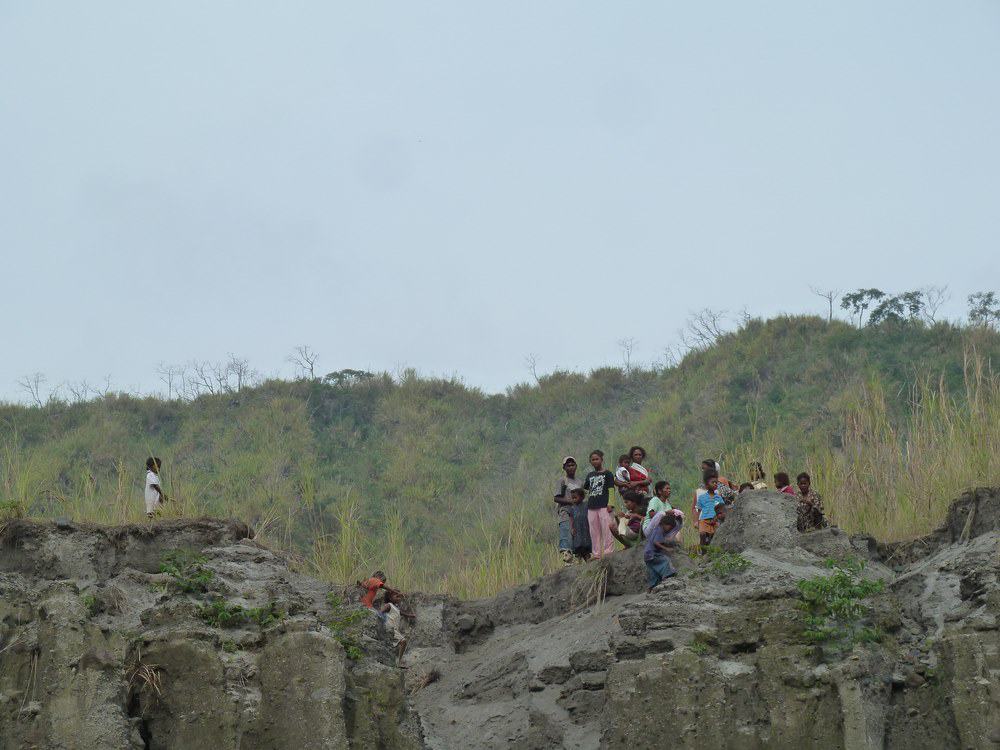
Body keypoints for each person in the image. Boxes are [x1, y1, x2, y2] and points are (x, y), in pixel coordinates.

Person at [584, 450, 619, 560]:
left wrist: (611, 503)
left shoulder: (607, 474)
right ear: (590, 461)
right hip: (591, 507)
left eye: (597, 459)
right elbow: (586, 488)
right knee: (594, 531)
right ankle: (596, 554)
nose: (595, 461)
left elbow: (611, 489)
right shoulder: (590, 475)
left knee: (607, 529)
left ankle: (608, 552)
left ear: (601, 460)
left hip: (604, 506)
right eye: (593, 459)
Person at [554, 457, 584, 565]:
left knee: (578, 533)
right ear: (564, 468)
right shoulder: (562, 481)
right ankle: (567, 559)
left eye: (572, 465)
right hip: (565, 511)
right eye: (568, 465)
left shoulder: (580, 482)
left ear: (576, 466)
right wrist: (570, 501)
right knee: (566, 533)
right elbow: (556, 498)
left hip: (577, 511)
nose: (571, 467)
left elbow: (582, 497)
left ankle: (579, 558)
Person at [644, 510, 683, 591]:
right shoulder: (659, 529)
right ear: (664, 524)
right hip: (652, 553)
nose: (669, 529)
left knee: (653, 572)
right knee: (665, 560)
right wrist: (666, 548)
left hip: (647, 555)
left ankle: (652, 587)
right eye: (669, 527)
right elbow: (656, 542)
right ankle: (667, 576)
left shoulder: (658, 529)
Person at [380, 590, 416, 667]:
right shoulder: (388, 605)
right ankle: (399, 662)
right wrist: (382, 622)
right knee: (403, 641)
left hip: (394, 629)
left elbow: (401, 613)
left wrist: (410, 615)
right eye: (396, 596)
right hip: (389, 627)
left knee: (399, 643)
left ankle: (395, 661)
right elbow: (380, 613)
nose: (399, 598)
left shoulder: (395, 608)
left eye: (399, 597)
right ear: (390, 597)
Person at [695, 473, 727, 551]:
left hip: (715, 520)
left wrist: (716, 518)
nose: (715, 484)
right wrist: (697, 521)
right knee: (702, 534)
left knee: (713, 536)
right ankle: (703, 551)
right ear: (707, 485)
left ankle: (711, 552)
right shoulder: (702, 497)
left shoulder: (718, 497)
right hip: (704, 520)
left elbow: (722, 509)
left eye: (716, 482)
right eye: (713, 482)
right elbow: (699, 510)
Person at [569, 487, 592, 562]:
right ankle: (579, 561)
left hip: (585, 527)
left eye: (575, 498)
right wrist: (572, 528)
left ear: (582, 497)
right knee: (577, 544)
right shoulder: (572, 508)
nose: (574, 500)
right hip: (577, 529)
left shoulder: (586, 505)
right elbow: (571, 518)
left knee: (586, 543)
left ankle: (588, 559)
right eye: (572, 498)